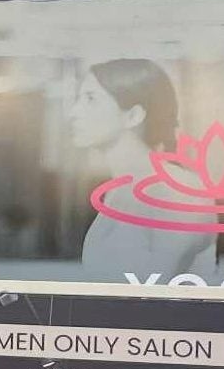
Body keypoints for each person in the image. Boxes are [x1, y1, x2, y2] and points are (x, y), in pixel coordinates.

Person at [69, 58, 218, 282]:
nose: (73, 112)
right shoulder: (117, 191)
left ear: (133, 116)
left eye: (90, 99)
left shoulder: (176, 188)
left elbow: (155, 292)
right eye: (78, 99)